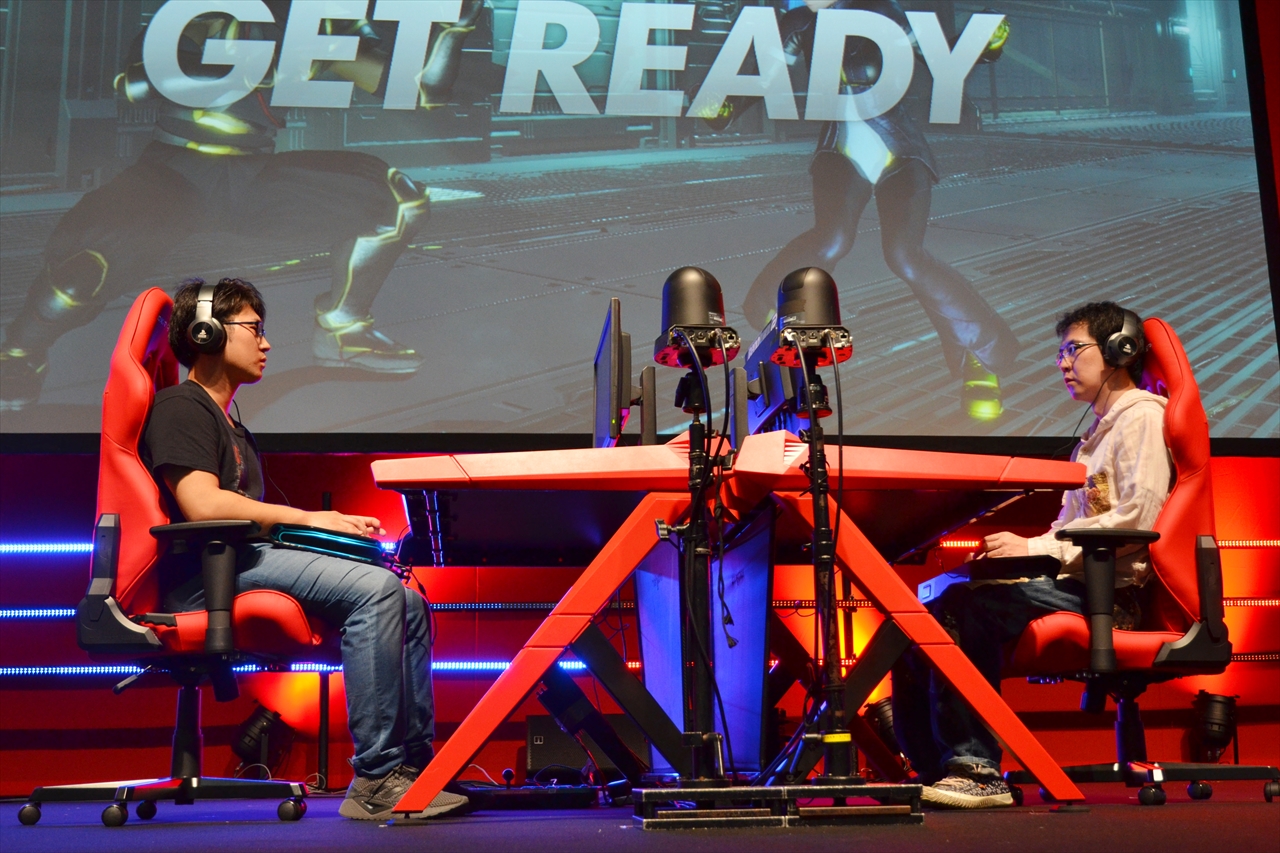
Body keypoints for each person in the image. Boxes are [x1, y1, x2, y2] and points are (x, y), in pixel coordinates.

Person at [0, 1, 482, 411]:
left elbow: (421, 88)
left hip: (252, 177)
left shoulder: (322, 22)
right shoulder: (202, 11)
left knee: (397, 199)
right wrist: (232, 57)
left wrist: (454, 31)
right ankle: (20, 354)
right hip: (173, 172)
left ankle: (344, 328)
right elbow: (133, 85)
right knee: (80, 273)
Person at [141, 276, 467, 820]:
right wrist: (312, 518)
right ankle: (376, 778)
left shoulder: (227, 423)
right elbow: (201, 504)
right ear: (207, 332)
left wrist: (328, 531)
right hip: (205, 578)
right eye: (254, 329)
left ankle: (414, 769)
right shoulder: (181, 406)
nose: (266, 343)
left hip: (241, 562)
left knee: (407, 601)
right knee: (376, 591)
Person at [892, 301, 1173, 808]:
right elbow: (1067, 529)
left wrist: (1033, 548)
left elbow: (1136, 520)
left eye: (1074, 350)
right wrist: (1018, 557)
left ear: (1119, 350)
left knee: (964, 609)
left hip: (1111, 599)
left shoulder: (1142, 419)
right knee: (922, 617)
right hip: (1075, 585)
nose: (1063, 363)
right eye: (1060, 353)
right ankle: (931, 769)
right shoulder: (1095, 436)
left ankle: (977, 770)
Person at [739, 0, 1018, 421]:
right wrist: (720, 106)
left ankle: (980, 352)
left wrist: (985, 44)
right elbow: (754, 79)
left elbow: (945, 58)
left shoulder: (884, 12)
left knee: (905, 255)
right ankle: (772, 317)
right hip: (840, 148)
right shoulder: (802, 23)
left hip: (899, 147)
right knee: (831, 239)